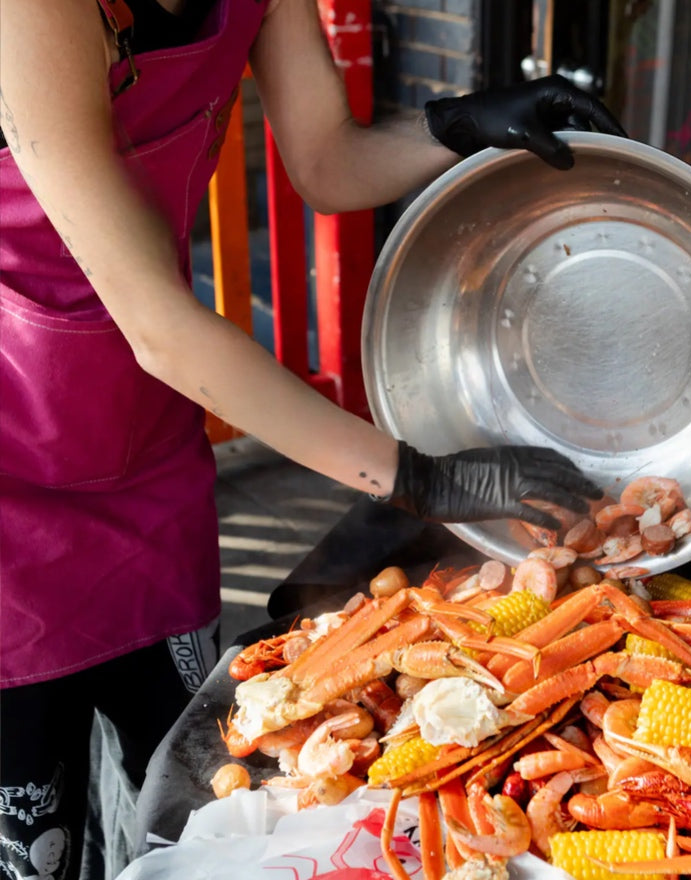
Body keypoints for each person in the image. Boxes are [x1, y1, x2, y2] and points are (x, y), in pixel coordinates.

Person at [0, 0, 626, 877]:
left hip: (148, 452)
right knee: (34, 840)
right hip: (13, 476)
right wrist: (417, 478)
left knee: (212, 800)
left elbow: (328, 161)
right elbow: (157, 326)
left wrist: (463, 123)